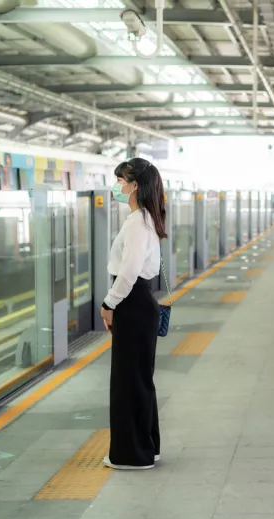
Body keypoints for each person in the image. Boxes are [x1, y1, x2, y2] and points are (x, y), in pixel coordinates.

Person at [100, 158, 166, 470]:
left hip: (133, 303)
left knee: (128, 381)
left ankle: (131, 455)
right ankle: (147, 447)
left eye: (120, 180)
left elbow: (128, 272)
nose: (117, 186)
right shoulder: (145, 219)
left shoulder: (138, 222)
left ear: (134, 185)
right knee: (139, 379)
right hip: (140, 303)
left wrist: (109, 304)